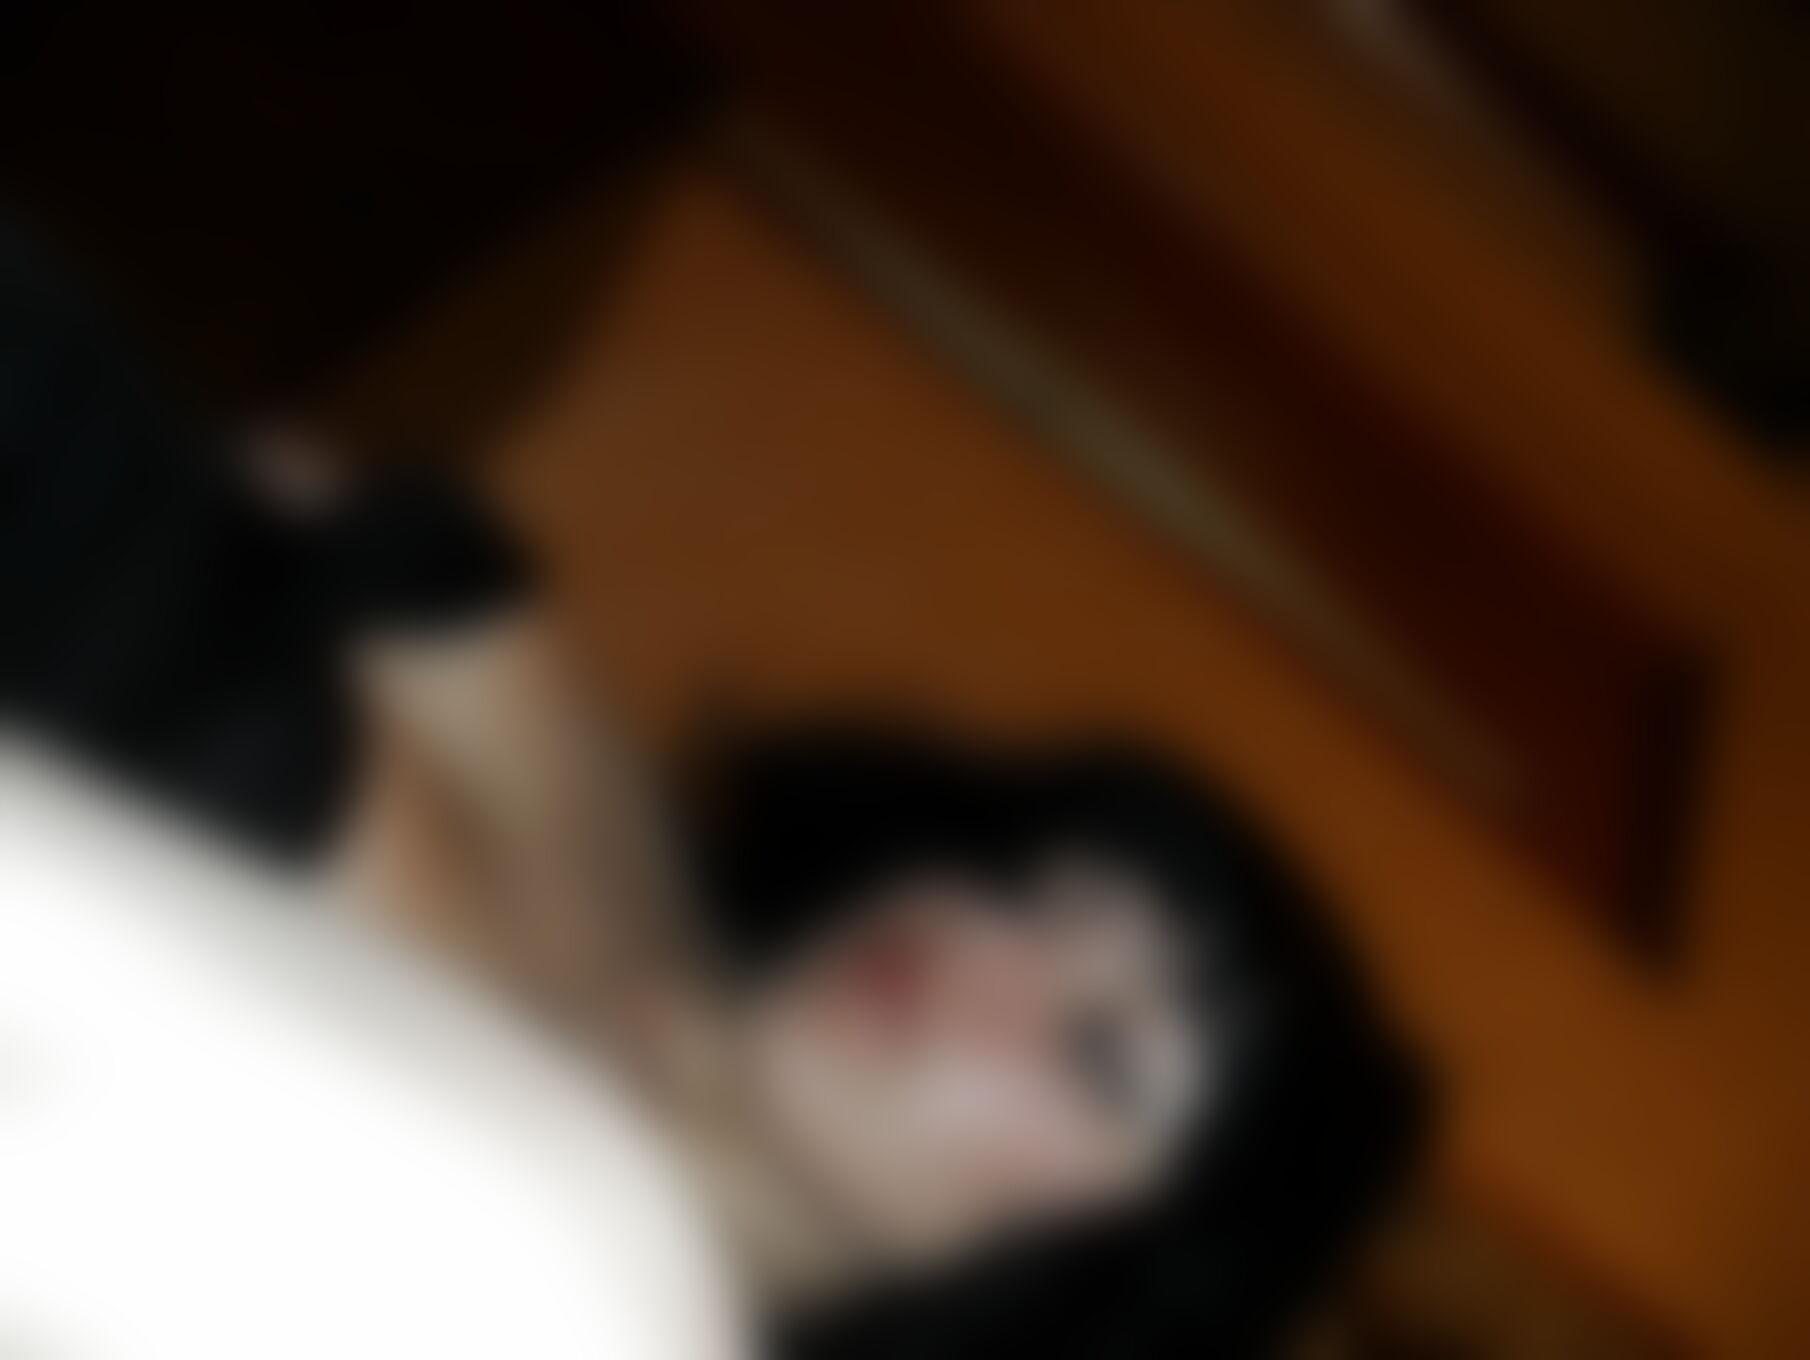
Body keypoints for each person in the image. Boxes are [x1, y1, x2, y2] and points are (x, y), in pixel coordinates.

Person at [0, 224, 1426, 1357]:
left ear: (1101, 1293)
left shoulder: (583, 1310)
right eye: (1036, 891)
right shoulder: (655, 894)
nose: (985, 948)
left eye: (1100, 1057)